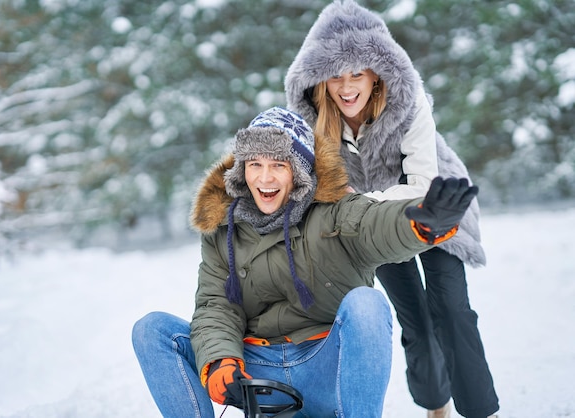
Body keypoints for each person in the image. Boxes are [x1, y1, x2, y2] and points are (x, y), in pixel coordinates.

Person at [132, 106, 479, 418]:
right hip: (258, 368)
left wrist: (421, 222)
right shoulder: (224, 228)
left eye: (277, 166)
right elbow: (216, 305)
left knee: (367, 302)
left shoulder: (335, 211)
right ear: (242, 170)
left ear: (298, 172)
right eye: (255, 165)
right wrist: (221, 362)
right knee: (153, 330)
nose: (264, 179)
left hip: (325, 365)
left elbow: (378, 225)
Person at [284, 1, 499, 418]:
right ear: (319, 79)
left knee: (451, 311)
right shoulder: (316, 125)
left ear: (377, 75)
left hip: (436, 207)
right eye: (335, 75)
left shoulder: (410, 104)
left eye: (357, 74)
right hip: (374, 228)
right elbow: (319, 195)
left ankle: (480, 411)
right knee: (414, 319)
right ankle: (436, 405)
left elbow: (421, 185)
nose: (346, 87)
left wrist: (356, 201)